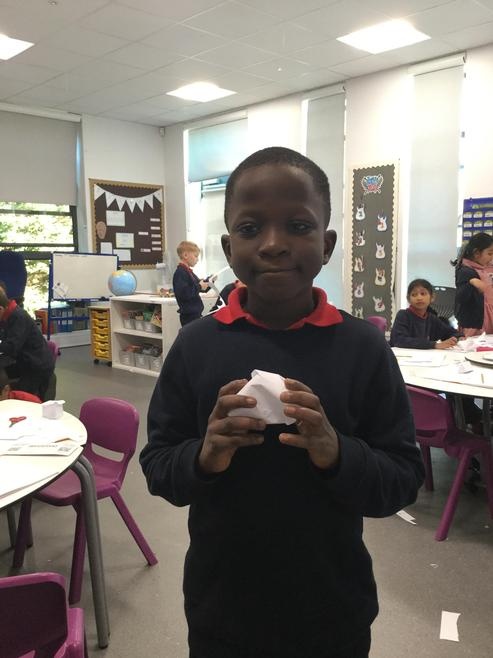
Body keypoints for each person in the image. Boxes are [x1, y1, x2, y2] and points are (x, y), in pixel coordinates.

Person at [141, 146, 424, 658]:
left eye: (298, 225)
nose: (273, 245)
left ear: (327, 244)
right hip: (222, 610)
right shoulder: (196, 345)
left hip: (332, 612)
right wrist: (205, 456)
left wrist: (336, 451)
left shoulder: (362, 348)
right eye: (250, 229)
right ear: (229, 249)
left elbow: (402, 479)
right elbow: (159, 466)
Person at [0, 288, 54, 401]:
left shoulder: (18, 317)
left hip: (36, 366)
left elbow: (11, 347)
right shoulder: (8, 315)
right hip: (24, 360)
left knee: (21, 399)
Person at [390, 278, 460, 349]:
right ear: (408, 299)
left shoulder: (431, 318)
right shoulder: (403, 315)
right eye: (414, 295)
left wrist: (458, 338)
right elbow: (399, 340)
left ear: (432, 297)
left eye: (423, 294)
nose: (419, 298)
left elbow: (450, 332)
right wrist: (434, 345)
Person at [453, 232, 493, 336]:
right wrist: (471, 282)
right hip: (474, 323)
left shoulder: (483, 269)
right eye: (489, 254)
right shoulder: (466, 271)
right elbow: (461, 297)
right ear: (476, 253)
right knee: (473, 345)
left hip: (487, 317)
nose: (491, 258)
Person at [173, 241, 210, 326]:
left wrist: (209, 282)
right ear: (185, 255)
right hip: (188, 316)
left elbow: (200, 288)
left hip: (195, 314)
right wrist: (200, 286)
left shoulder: (189, 272)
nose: (197, 259)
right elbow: (185, 293)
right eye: (196, 256)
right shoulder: (180, 273)